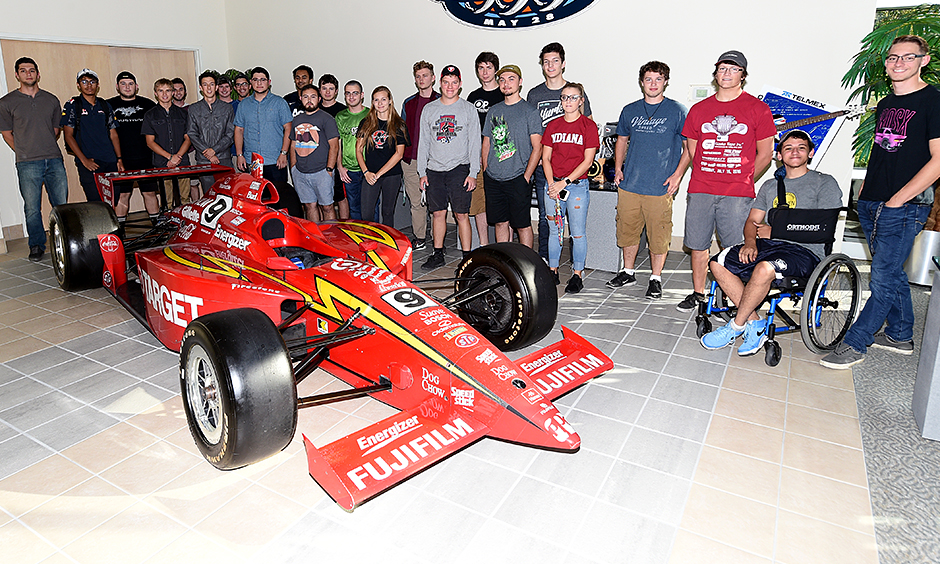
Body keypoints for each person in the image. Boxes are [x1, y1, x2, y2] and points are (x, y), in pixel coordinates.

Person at [822, 35, 940, 369]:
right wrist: (868, 198)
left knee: (883, 278)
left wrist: (898, 199)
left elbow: (939, 159)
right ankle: (900, 334)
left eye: (908, 57)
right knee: (891, 273)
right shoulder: (887, 103)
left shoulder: (933, 101)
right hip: (873, 201)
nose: (898, 63)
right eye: (893, 57)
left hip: (905, 205)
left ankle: (856, 343)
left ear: (924, 60)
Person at [701, 130, 842, 356]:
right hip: (772, 246)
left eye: (801, 147)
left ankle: (736, 326)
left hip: (806, 252)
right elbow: (753, 221)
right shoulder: (770, 186)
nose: (794, 151)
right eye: (788, 148)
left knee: (764, 268)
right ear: (779, 155)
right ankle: (755, 323)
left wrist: (776, 229)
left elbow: (822, 224)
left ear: (811, 153)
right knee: (718, 262)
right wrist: (750, 242)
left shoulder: (824, 183)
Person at [676, 50, 776, 313]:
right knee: (698, 245)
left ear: (743, 75)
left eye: (733, 69)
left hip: (737, 193)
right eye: (722, 69)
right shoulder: (700, 109)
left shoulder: (757, 108)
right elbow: (692, 148)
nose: (727, 74)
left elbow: (765, 153)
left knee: (735, 248)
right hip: (700, 189)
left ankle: (734, 298)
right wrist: (709, 171)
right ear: (715, 73)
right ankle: (699, 294)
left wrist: (743, 178)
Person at [606, 61, 689, 299]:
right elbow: (621, 140)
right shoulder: (630, 110)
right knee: (627, 230)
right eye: (649, 79)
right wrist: (618, 168)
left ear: (665, 82)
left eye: (658, 79)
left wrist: (677, 175)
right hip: (630, 184)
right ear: (642, 82)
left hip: (660, 186)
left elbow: (688, 147)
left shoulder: (677, 110)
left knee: (658, 235)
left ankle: (655, 278)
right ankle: (628, 271)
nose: (653, 84)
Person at [527, 42, 593, 261]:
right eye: (546, 61)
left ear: (563, 64)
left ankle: (576, 266)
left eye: (555, 60)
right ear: (542, 65)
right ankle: (547, 260)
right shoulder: (535, 94)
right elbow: (531, 129)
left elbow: (588, 127)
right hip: (545, 167)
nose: (550, 65)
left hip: (574, 173)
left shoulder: (576, 91)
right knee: (548, 220)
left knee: (576, 225)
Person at [0, 57, 69, 262]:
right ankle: (37, 245)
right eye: (23, 71)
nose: (28, 74)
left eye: (32, 70)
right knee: (32, 207)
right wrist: (23, 151)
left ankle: (65, 240)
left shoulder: (51, 99)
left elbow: (56, 130)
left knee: (61, 204)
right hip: (27, 163)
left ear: (38, 74)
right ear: (17, 75)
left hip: (54, 160)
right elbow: (6, 133)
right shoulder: (6, 102)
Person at [417, 65, 481, 269]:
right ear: (440, 83)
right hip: (434, 170)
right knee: (438, 213)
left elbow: (474, 144)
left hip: (459, 168)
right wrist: (422, 172)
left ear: (460, 85)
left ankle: (467, 257)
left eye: (454, 82)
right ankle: (437, 253)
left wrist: (473, 173)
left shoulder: (468, 109)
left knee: (462, 214)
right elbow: (423, 143)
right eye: (446, 82)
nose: (450, 86)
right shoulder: (430, 109)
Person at [542, 82, 600, 293]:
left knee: (577, 233)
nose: (568, 101)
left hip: (575, 187)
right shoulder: (553, 126)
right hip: (553, 185)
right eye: (565, 97)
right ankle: (553, 270)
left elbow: (587, 162)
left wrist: (563, 183)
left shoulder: (588, 126)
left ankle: (577, 274)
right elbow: (545, 157)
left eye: (573, 97)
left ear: (581, 101)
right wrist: (551, 184)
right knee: (554, 231)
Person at [481, 64, 542, 248]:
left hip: (518, 178)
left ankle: (526, 263)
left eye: (511, 79)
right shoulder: (494, 110)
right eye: (502, 80)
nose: (506, 83)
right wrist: (486, 170)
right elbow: (486, 143)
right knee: (500, 223)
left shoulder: (529, 112)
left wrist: (526, 176)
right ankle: (505, 261)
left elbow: (537, 147)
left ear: (520, 82)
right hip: (493, 178)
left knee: (522, 225)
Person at [61, 68, 123, 202]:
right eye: (84, 82)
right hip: (90, 161)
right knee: (96, 201)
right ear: (78, 85)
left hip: (110, 160)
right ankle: (99, 224)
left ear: (98, 84)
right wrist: (84, 160)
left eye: (92, 82)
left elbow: (113, 134)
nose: (89, 85)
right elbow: (68, 135)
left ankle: (112, 224)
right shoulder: (73, 105)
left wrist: (119, 159)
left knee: (113, 199)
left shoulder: (105, 105)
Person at [107, 71, 159, 228]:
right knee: (123, 195)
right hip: (122, 160)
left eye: (130, 84)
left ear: (136, 86)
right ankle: (120, 230)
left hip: (145, 158)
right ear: (117, 87)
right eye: (123, 84)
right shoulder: (108, 105)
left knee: (149, 193)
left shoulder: (148, 104)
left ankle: (157, 227)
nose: (127, 87)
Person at [356, 86, 408, 227]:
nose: (380, 103)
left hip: (391, 175)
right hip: (369, 174)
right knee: (366, 214)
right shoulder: (366, 123)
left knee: (387, 212)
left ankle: (387, 245)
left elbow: (399, 154)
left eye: (383, 99)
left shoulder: (399, 125)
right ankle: (369, 242)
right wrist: (366, 172)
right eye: (376, 100)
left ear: (390, 101)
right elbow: (358, 150)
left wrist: (378, 174)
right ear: (372, 103)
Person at [401, 61, 438, 249]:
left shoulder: (441, 101)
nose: (421, 79)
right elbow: (402, 132)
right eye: (418, 76)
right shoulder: (409, 103)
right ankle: (420, 237)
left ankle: (437, 239)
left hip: (436, 161)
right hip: (411, 160)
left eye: (425, 75)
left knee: (435, 202)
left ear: (433, 78)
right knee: (416, 201)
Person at [467, 51, 502, 247]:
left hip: (501, 157)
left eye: (489, 67)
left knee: (501, 204)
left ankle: (503, 245)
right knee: (479, 204)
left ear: (495, 70)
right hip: (477, 158)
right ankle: (484, 245)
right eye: (481, 67)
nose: (485, 71)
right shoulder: (473, 96)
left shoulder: (503, 94)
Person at [234, 67, 292, 183]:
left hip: (275, 161)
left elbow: (288, 128)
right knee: (255, 198)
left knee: (278, 197)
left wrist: (284, 153)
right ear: (251, 83)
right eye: (255, 79)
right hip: (252, 162)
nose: (259, 83)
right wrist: (239, 154)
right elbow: (239, 130)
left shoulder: (280, 103)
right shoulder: (244, 105)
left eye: (263, 80)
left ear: (269, 82)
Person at [289, 84, 339, 222]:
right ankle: (315, 238)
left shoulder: (327, 119)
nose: (309, 100)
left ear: (319, 98)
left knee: (327, 207)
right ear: (300, 98)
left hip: (322, 172)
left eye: (313, 96)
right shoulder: (297, 120)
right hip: (300, 172)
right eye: (305, 97)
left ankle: (331, 238)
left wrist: (329, 169)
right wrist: (293, 168)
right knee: (309, 206)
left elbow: (334, 146)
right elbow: (293, 144)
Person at [187, 70, 235, 195]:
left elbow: (230, 134)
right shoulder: (193, 109)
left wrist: (215, 150)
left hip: (223, 158)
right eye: (205, 84)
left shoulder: (227, 108)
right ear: (200, 87)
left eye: (212, 84)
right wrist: (208, 153)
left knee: (226, 194)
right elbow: (192, 133)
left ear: (217, 87)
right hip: (203, 160)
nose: (209, 88)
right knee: (209, 194)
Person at [335, 81, 370, 219]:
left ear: (361, 95)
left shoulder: (370, 114)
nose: (351, 96)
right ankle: (358, 238)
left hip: (368, 169)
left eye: (355, 93)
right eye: (348, 93)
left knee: (371, 206)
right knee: (354, 207)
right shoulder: (340, 116)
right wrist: (340, 166)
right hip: (349, 171)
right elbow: (338, 144)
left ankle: (375, 238)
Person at [142, 78, 191, 174]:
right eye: (161, 91)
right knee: (165, 189)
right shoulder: (150, 115)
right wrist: (170, 157)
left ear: (173, 92)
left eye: (168, 90)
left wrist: (177, 157)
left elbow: (188, 138)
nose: (164, 94)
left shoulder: (183, 113)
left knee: (184, 189)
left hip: (182, 162)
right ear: (156, 93)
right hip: (162, 163)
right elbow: (150, 142)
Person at [318, 73, 350, 219]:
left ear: (336, 91)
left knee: (340, 197)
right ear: (319, 90)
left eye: (331, 88)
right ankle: (322, 230)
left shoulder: (343, 111)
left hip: (337, 162)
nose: (328, 92)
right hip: (317, 162)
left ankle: (344, 229)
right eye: (324, 88)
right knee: (319, 199)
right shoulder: (313, 109)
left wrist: (340, 164)